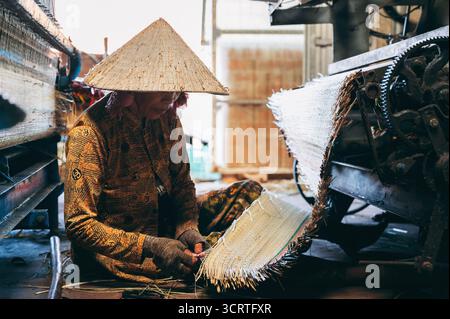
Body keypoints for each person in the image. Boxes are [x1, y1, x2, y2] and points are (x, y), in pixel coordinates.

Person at [64, 18, 263, 283]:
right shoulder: (89, 135)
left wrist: (186, 228)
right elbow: (79, 224)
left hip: (168, 225)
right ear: (135, 85)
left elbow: (182, 182)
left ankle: (207, 251)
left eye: (175, 86)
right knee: (205, 261)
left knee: (249, 194)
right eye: (162, 86)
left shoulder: (169, 120)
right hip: (128, 249)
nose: (170, 96)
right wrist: (152, 245)